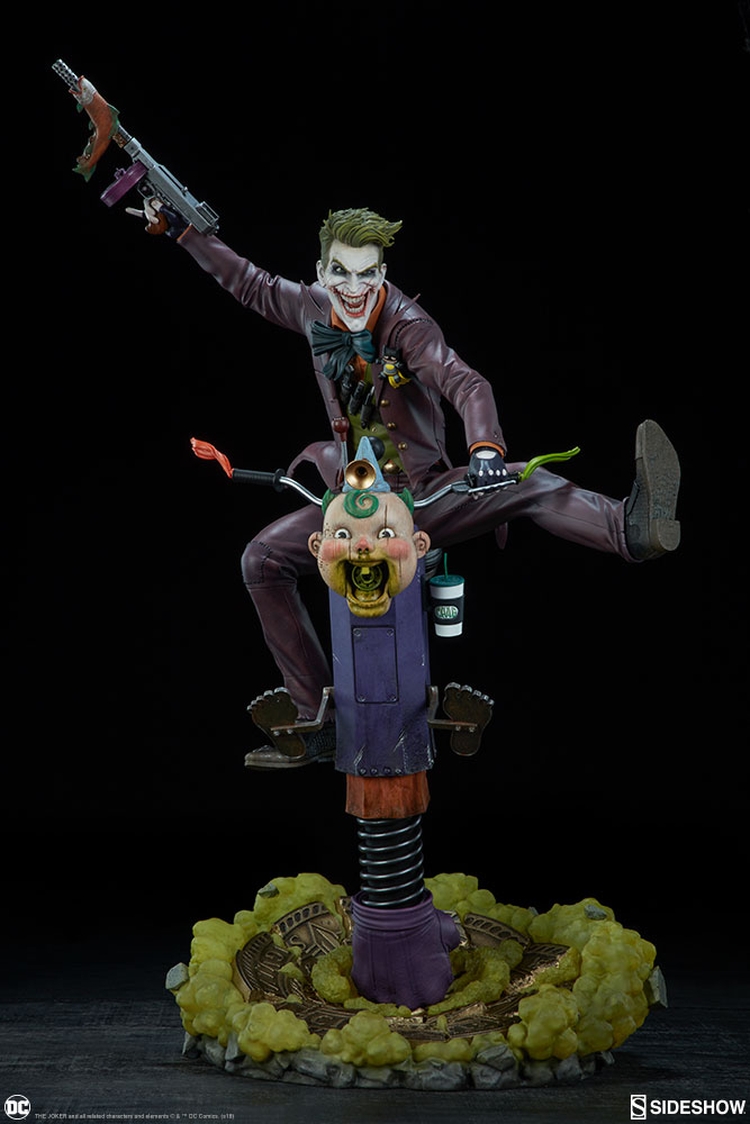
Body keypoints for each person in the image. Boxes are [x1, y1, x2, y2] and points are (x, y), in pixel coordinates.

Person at [140, 204, 681, 766]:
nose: (353, 289)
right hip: (350, 500)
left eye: (367, 274)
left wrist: (485, 448)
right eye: (340, 273)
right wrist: (183, 232)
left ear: (383, 273)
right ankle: (315, 721)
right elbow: (249, 283)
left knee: (527, 482)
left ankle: (630, 528)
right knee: (261, 559)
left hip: (418, 498)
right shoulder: (310, 305)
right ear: (321, 271)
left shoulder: (409, 326)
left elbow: (465, 382)